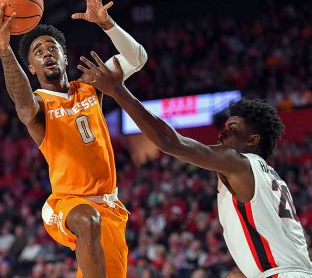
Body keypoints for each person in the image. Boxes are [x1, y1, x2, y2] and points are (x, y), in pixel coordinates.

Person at [76, 53, 312, 278]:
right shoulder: (271, 178)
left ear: (252, 140)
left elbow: (170, 142)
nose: (222, 135)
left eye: (232, 129)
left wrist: (117, 90)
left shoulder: (238, 162)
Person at [0, 0, 147, 277]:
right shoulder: (37, 104)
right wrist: (3, 47)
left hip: (109, 206)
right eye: (38, 51)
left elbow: (138, 58)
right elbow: (21, 100)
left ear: (65, 58)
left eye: (52, 48)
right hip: (66, 204)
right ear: (31, 68)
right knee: (87, 219)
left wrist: (107, 25)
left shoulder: (90, 85)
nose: (46, 52)